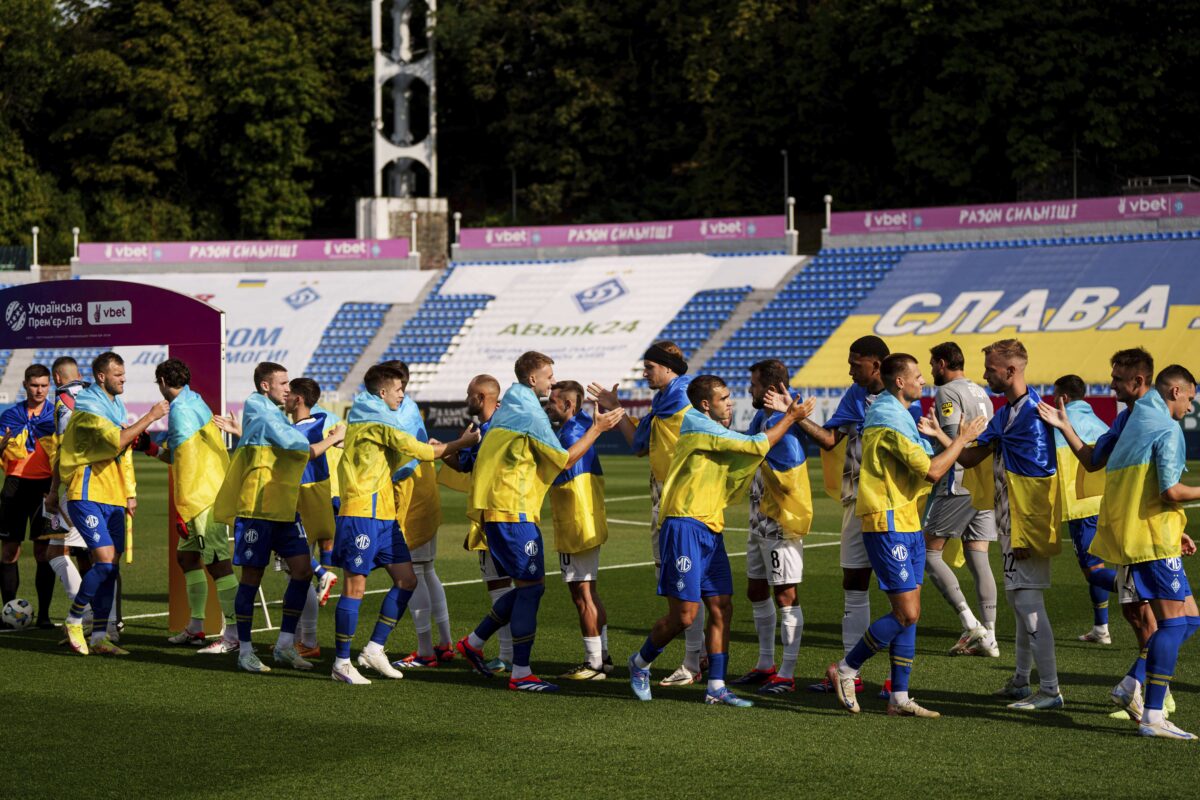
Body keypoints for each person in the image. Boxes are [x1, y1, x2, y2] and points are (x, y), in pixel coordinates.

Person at [628, 375, 814, 706]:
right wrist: (790, 418)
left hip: (710, 526)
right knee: (683, 616)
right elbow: (753, 446)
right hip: (684, 524)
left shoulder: (715, 429)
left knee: (722, 607)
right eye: (724, 398)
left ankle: (716, 686)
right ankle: (640, 663)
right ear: (705, 404)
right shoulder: (698, 426)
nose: (731, 402)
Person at [823, 354, 984, 717]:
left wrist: (942, 440)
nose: (923, 380)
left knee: (911, 612)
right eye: (917, 375)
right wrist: (961, 439)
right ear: (899, 381)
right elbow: (931, 471)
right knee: (906, 612)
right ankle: (846, 669)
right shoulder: (888, 417)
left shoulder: (900, 414)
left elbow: (928, 459)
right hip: (887, 521)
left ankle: (899, 697)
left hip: (907, 520)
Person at [457, 351, 624, 692]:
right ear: (533, 379)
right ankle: (521, 673)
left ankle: (473, 643)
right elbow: (563, 462)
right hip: (511, 511)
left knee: (526, 587)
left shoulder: (514, 406)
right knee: (532, 590)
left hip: (500, 509)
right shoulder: (530, 413)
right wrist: (597, 429)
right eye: (549, 375)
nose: (552, 380)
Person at [328, 363, 478, 685]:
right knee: (355, 588)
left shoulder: (375, 419)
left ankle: (374, 648)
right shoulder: (375, 420)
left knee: (407, 579)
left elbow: (399, 457)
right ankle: (341, 662)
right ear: (383, 392)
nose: (402, 394)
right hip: (361, 515)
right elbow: (422, 451)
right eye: (398, 389)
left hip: (384, 516)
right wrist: (461, 444)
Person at [1037, 347, 1163, 718]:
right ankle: (1147, 691)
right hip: (1124, 524)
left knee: (1173, 619)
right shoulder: (1120, 420)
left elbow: (1166, 484)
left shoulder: (1155, 418)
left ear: (1138, 381)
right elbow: (1093, 459)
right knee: (1144, 616)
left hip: (1138, 527)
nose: (1109, 386)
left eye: (1117, 379)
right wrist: (1064, 427)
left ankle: (1146, 693)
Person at [952, 339, 1063, 710]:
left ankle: (1049, 690)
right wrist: (943, 437)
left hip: (1024, 527)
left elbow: (1039, 483)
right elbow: (970, 458)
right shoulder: (1008, 414)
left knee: (1029, 603)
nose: (985, 376)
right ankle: (1020, 679)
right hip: (1008, 523)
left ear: (1011, 371)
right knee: (1019, 602)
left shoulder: (1033, 416)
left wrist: (1025, 534)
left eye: (991, 370)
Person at [212, 362, 344, 674]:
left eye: (288, 383)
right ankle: (244, 650)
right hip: (257, 508)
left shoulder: (269, 413)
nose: (288, 388)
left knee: (301, 571)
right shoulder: (258, 408)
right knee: (251, 578)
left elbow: (279, 440)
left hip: (284, 507)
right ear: (265, 386)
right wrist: (333, 438)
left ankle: (285, 645)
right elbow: (295, 445)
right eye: (282, 383)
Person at [1091, 365, 1200, 739]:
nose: (1190, 405)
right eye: (1189, 397)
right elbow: (1170, 490)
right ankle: (1153, 715)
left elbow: (1147, 487)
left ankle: (1131, 684)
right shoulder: (1166, 427)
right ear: (1175, 392)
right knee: (1172, 624)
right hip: (1149, 540)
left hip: (1147, 535)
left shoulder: (1139, 418)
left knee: (1190, 619)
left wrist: (1177, 530)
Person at [589, 342, 706, 686]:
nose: (644, 373)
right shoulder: (673, 394)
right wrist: (620, 412)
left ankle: (688, 662)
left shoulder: (675, 393)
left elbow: (638, 441)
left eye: (650, 367)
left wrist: (616, 410)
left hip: (675, 504)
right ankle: (701, 661)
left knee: (683, 590)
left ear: (669, 368)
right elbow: (641, 446)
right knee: (702, 589)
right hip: (685, 499)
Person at [794, 335, 894, 693]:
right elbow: (829, 438)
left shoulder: (900, 396)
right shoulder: (855, 395)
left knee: (901, 592)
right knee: (854, 583)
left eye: (856, 364)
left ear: (876, 365)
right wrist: (794, 417)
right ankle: (853, 673)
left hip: (891, 506)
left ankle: (898, 681)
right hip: (856, 503)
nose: (850, 370)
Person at [54, 352, 167, 655]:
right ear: (102, 377)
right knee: (103, 561)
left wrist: (130, 492)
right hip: (87, 492)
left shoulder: (115, 404)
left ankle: (100, 636)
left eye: (124, 373)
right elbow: (117, 441)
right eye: (118, 374)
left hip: (114, 495)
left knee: (111, 568)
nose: (124, 379)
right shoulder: (89, 406)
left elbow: (125, 453)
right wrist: (151, 417)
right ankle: (75, 618)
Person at [730, 359, 813, 695]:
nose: (749, 390)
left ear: (767, 387)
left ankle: (787, 673)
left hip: (780, 520)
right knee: (756, 589)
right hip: (759, 516)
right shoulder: (764, 415)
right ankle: (766, 664)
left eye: (752, 385)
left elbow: (776, 457)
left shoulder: (783, 416)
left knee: (786, 595)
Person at [149, 359, 240, 649]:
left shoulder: (179, 410)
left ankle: (236, 635)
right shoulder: (195, 400)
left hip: (201, 498)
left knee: (218, 564)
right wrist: (151, 449)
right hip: (207, 490)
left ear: (163, 381)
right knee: (187, 559)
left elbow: (184, 461)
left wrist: (181, 509)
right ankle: (196, 627)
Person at [921, 342, 1000, 658]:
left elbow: (957, 439)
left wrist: (934, 433)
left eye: (932, 364)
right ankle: (990, 636)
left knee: (927, 552)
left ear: (942, 363)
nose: (930, 371)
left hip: (958, 481)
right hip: (984, 483)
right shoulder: (982, 392)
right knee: (977, 556)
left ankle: (971, 625)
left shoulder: (947, 392)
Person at [381, 360, 453, 671]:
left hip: (412, 497)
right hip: (422, 492)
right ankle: (445, 644)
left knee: (412, 574)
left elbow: (402, 461)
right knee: (426, 570)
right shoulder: (408, 408)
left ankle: (426, 651)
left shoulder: (400, 412)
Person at [441, 374, 514, 673]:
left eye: (470, 393)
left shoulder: (497, 427)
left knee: (507, 587)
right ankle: (507, 656)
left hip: (498, 515)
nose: (466, 397)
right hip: (495, 516)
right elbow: (465, 465)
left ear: (482, 397)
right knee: (503, 585)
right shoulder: (483, 428)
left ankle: (501, 653)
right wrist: (447, 450)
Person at [545, 379, 612, 680]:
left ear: (569, 405)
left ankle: (593, 663)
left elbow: (560, 463)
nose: (548, 406)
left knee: (581, 594)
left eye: (553, 402)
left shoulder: (571, 433)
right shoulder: (583, 422)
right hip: (589, 516)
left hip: (575, 520)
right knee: (590, 591)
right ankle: (604, 657)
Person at [1049, 374, 1117, 644]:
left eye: (1055, 396)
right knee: (1096, 563)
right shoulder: (1099, 421)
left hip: (1081, 507)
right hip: (1104, 502)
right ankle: (1101, 628)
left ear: (1064, 397)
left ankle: (1134, 587)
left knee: (1093, 570)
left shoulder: (1057, 422)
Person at [287, 377, 342, 657]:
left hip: (302, 503)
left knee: (299, 573)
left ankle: (308, 641)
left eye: (289, 392)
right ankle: (299, 640)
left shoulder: (305, 429)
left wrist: (332, 439)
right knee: (296, 574)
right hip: (309, 501)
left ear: (298, 399)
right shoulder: (315, 422)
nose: (284, 396)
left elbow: (303, 454)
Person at [0, 364, 56, 626]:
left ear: (50, 386)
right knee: (10, 551)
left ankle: (44, 615)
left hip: (44, 488)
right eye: (35, 385)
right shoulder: (10, 416)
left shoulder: (56, 417)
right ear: (25, 385)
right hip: (14, 486)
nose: (40, 390)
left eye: (44, 385)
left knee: (43, 553)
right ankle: (7, 611)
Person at [43, 358, 94, 635]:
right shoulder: (92, 393)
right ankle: (106, 619)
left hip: (76, 485)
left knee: (55, 551)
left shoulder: (63, 400)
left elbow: (64, 449)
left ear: (57, 378)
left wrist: (53, 490)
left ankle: (84, 612)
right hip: (102, 483)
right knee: (98, 554)